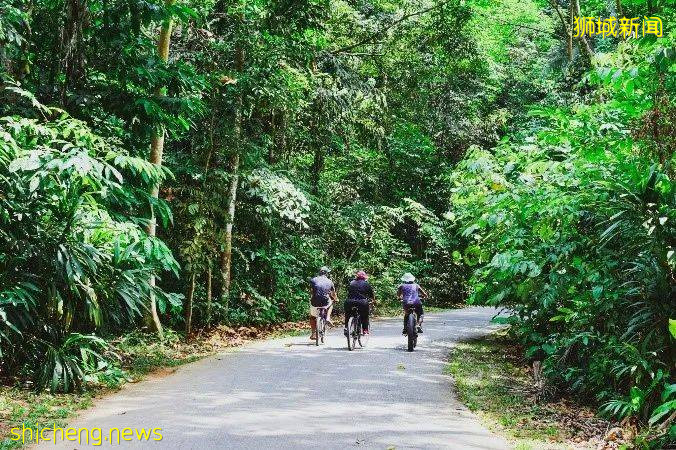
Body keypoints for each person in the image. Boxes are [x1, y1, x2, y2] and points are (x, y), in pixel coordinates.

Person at [309, 266, 337, 341]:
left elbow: (311, 291)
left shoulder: (313, 280)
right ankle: (328, 317)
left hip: (315, 301)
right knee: (331, 304)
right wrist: (336, 299)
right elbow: (333, 294)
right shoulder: (330, 281)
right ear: (326, 273)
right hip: (325, 301)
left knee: (312, 317)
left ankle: (314, 333)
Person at [344, 270, 375, 336]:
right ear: (364, 277)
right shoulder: (366, 284)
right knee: (365, 315)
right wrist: (373, 301)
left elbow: (348, 292)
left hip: (349, 302)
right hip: (362, 302)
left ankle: (346, 327)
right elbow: (371, 295)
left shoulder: (351, 283)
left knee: (347, 314)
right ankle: (365, 330)